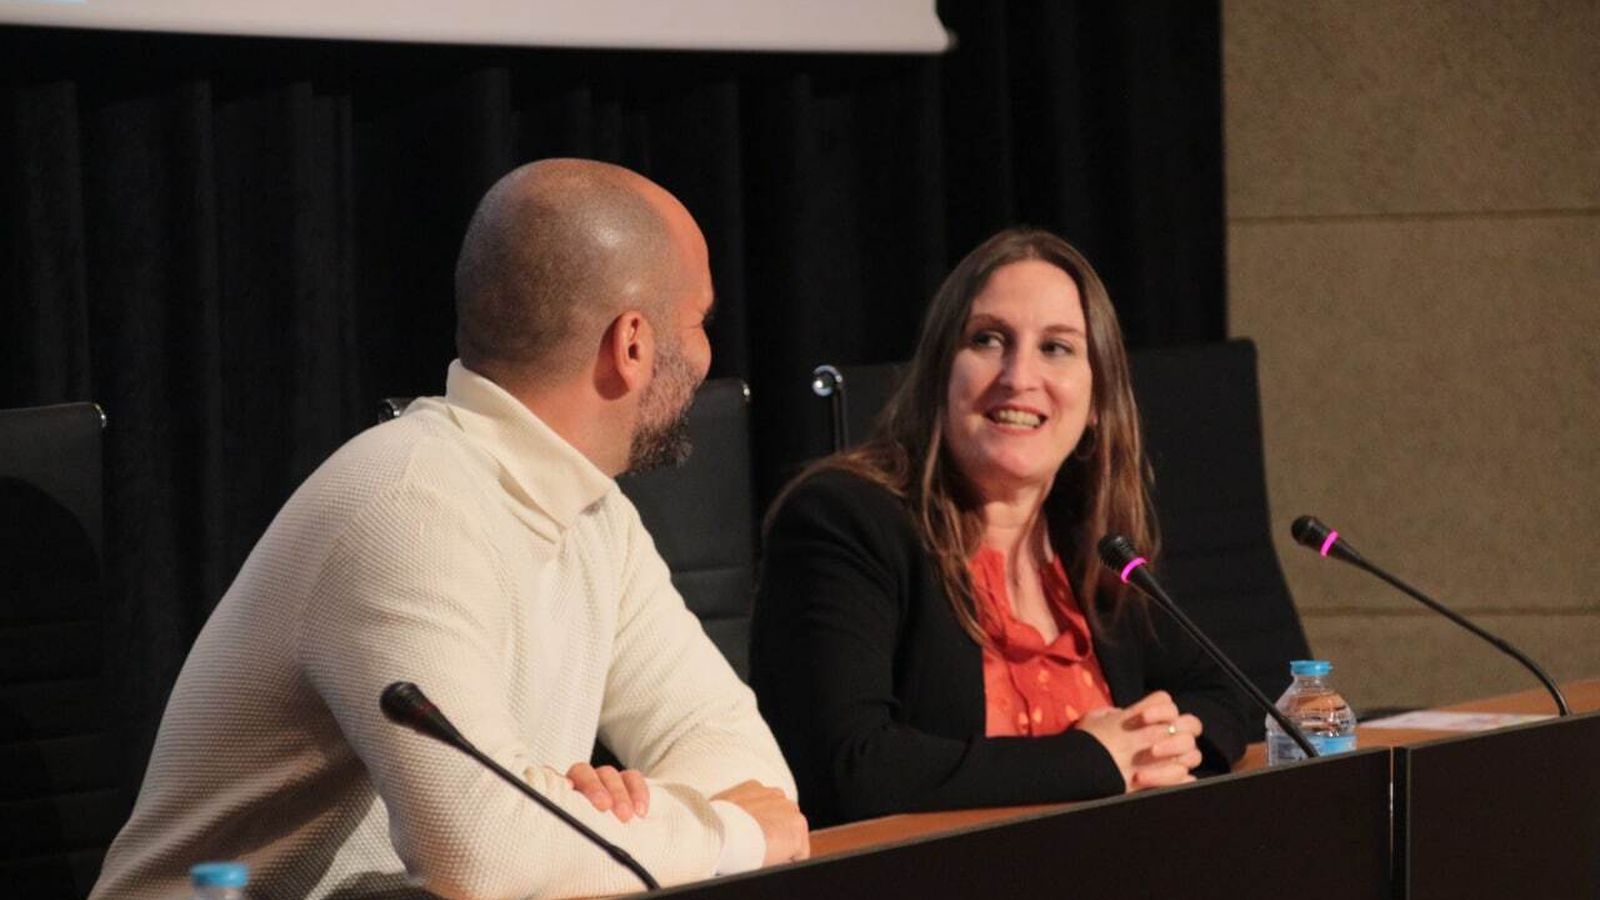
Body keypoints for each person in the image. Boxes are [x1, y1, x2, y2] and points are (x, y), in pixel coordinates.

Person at [93, 159, 807, 899]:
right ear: (631, 345)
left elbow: (745, 765)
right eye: (699, 322)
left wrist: (611, 819)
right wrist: (720, 834)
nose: (704, 354)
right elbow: (488, 862)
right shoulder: (406, 508)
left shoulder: (598, 519)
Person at [750, 228, 1251, 827]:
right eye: (988, 340)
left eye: (1057, 348)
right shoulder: (846, 519)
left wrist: (1166, 741)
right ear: (940, 372)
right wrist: (1094, 761)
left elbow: (1224, 697)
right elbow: (849, 769)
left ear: (1096, 402)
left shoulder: (1087, 542)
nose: (1018, 376)